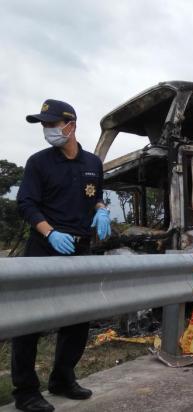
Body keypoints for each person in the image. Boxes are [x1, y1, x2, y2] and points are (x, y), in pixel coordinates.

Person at [14, 99, 111, 412]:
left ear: (70, 125)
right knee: (30, 321)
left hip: (80, 248)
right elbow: (27, 204)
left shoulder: (93, 164)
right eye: (44, 125)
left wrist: (102, 210)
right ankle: (26, 391)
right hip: (44, 247)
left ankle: (63, 379)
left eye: (52, 124)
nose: (48, 130)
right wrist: (50, 232)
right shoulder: (39, 162)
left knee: (77, 318)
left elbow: (95, 196)